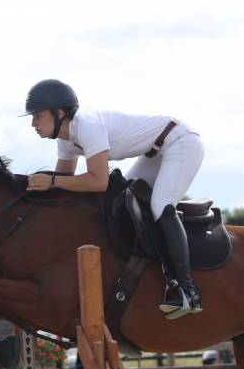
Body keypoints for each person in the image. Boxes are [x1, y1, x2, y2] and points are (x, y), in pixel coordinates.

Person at [22, 79, 204, 319]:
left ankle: (187, 291)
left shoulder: (87, 127)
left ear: (59, 113)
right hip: (155, 152)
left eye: (37, 116)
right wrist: (29, 188)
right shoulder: (65, 140)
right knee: (122, 202)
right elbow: (63, 182)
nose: (33, 124)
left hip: (181, 142)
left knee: (161, 204)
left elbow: (98, 182)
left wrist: (52, 182)